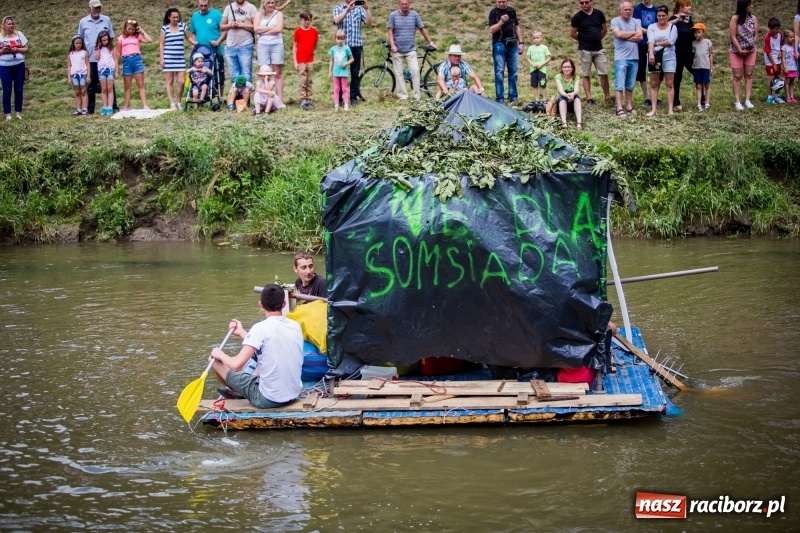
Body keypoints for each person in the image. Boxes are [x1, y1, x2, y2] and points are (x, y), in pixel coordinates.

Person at [209, 283, 304, 408]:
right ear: (284, 304)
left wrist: (219, 354)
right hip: (293, 394)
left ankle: (236, 390)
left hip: (268, 399)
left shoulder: (260, 328)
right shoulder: (295, 326)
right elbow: (269, 342)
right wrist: (242, 332)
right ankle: (241, 389)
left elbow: (236, 365)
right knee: (261, 358)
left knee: (214, 360)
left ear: (261, 304)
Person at [386, 0, 436, 101]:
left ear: (409, 4)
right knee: (399, 73)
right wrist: (392, 45)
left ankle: (417, 96)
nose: (404, 6)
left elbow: (422, 29)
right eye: (402, 4)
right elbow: (390, 31)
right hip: (397, 50)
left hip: (410, 49)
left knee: (415, 71)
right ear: (399, 5)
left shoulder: (414, 15)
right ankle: (403, 96)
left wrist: (431, 42)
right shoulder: (393, 15)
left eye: (406, 4)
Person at [78, 0, 116, 114]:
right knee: (91, 85)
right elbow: (80, 40)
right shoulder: (83, 22)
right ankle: (90, 109)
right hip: (91, 58)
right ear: (90, 7)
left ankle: (113, 107)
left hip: (105, 60)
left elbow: (111, 37)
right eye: (95, 8)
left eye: (99, 7)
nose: (97, 10)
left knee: (110, 85)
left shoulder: (106, 20)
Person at [570, 0, 611, 105]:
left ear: (591, 2)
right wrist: (584, 39)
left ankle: (607, 96)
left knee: (604, 73)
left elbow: (604, 29)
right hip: (585, 50)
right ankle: (589, 98)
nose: (584, 4)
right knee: (586, 74)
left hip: (599, 49)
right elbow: (572, 33)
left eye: (586, 2)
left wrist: (597, 38)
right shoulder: (577, 17)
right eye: (582, 2)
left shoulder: (598, 14)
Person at [333, 1, 372, 107]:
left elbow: (369, 23)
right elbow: (336, 21)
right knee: (340, 72)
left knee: (355, 73)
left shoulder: (359, 9)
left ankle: (353, 97)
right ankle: (340, 97)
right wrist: (347, 10)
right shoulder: (339, 8)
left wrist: (367, 9)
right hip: (342, 47)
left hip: (356, 45)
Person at [610, 1, 642, 117]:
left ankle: (629, 106)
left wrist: (625, 36)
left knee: (630, 84)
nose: (628, 11)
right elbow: (618, 35)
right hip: (621, 58)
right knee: (619, 84)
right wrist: (634, 33)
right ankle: (619, 107)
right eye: (625, 9)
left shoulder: (636, 21)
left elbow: (640, 37)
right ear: (620, 10)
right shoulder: (615, 21)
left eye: (629, 9)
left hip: (634, 57)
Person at [160, 8, 195, 110]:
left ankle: (178, 101)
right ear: (169, 17)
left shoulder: (183, 26)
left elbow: (188, 37)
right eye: (173, 17)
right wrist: (162, 58)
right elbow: (162, 44)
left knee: (181, 81)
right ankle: (172, 103)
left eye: (177, 17)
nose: (176, 19)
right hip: (168, 58)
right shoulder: (164, 28)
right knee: (169, 81)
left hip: (180, 58)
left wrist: (195, 43)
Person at [488, 0, 522, 105]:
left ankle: (513, 96)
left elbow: (517, 27)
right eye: (499, 1)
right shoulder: (494, 12)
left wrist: (521, 42)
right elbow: (491, 30)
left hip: (513, 44)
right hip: (499, 44)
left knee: (514, 71)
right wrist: (501, 22)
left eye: (504, 1)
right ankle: (500, 98)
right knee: (499, 72)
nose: (502, 4)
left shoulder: (512, 11)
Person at [188, 0, 227, 91]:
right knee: (200, 75)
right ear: (198, 5)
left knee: (219, 76)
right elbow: (193, 32)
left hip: (215, 51)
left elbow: (225, 30)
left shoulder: (216, 14)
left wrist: (218, 41)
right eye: (201, 6)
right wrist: (194, 42)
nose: (203, 8)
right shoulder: (195, 16)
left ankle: (219, 97)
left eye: (205, 5)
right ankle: (200, 94)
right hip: (200, 53)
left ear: (209, 4)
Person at [114, 18, 153, 111]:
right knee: (127, 86)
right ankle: (126, 106)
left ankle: (145, 105)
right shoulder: (121, 38)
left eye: (132, 29)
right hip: (126, 61)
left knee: (140, 84)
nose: (130, 31)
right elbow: (117, 52)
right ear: (125, 28)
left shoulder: (137, 36)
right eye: (129, 29)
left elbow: (149, 40)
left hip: (137, 60)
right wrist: (117, 66)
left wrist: (142, 31)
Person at [645, 5, 677, 117]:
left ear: (667, 15)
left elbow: (671, 41)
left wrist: (657, 43)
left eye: (663, 15)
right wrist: (651, 53)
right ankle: (653, 109)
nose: (661, 18)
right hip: (655, 55)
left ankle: (670, 110)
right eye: (659, 15)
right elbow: (650, 40)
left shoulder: (672, 27)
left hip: (669, 56)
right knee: (654, 84)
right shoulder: (651, 26)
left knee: (669, 84)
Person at [729, 0, 758, 111]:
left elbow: (755, 35)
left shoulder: (753, 19)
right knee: (737, 76)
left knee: (749, 74)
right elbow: (733, 36)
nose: (752, 6)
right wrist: (740, 49)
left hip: (751, 50)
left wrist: (751, 45)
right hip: (736, 50)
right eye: (750, 5)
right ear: (744, 6)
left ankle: (747, 99)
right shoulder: (734, 19)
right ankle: (737, 101)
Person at [254, 0, 285, 104]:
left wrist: (264, 32)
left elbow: (279, 29)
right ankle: (265, 99)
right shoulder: (259, 14)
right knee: (264, 72)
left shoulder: (278, 14)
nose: (271, 5)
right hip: (263, 45)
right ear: (264, 4)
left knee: (277, 72)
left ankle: (280, 100)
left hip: (276, 44)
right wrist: (271, 28)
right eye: (269, 3)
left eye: (273, 2)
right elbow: (256, 28)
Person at [667, 0, 695, 111]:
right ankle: (676, 101)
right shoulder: (673, 19)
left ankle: (701, 98)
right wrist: (678, 19)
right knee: (677, 77)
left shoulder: (689, 20)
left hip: (688, 52)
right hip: (677, 53)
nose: (689, 7)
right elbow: (666, 26)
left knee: (697, 72)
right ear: (680, 8)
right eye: (687, 5)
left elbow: (693, 34)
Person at [221, 0, 258, 83]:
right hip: (230, 46)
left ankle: (246, 95)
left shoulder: (251, 8)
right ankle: (236, 95)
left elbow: (256, 27)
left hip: (246, 45)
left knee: (246, 76)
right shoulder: (228, 8)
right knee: (234, 77)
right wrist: (229, 25)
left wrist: (242, 25)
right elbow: (222, 27)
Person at [0, 16, 28, 121]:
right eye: (9, 24)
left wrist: (18, 49)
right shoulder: (0, 37)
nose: (11, 26)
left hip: (19, 64)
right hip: (4, 66)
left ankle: (18, 113)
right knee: (7, 90)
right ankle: (7, 114)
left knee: (19, 89)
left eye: (12, 24)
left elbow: (26, 48)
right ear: (4, 25)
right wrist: (3, 51)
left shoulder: (19, 34)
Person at [633, 0, 658, 105]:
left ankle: (655, 96)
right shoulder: (638, 9)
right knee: (642, 70)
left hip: (655, 43)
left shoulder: (655, 9)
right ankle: (647, 97)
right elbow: (638, 26)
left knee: (655, 69)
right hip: (642, 43)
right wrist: (651, 32)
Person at [293, 11, 318, 111]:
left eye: (309, 20)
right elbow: (294, 47)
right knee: (302, 80)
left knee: (309, 80)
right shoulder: (297, 32)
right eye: (305, 20)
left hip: (310, 60)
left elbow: (315, 45)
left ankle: (309, 99)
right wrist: (295, 61)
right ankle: (303, 100)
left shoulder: (314, 31)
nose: (307, 22)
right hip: (301, 60)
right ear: (301, 20)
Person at [554, 58, 583, 131]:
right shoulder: (558, 77)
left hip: (572, 98)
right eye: (564, 67)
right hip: (562, 99)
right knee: (562, 99)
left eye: (569, 67)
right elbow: (561, 90)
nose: (566, 69)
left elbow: (576, 90)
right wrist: (567, 95)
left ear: (572, 68)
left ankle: (579, 123)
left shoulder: (576, 77)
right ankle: (564, 123)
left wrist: (573, 94)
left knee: (577, 98)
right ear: (562, 68)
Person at [328, 30, 354, 111]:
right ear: (335, 38)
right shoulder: (333, 49)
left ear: (344, 39)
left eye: (342, 39)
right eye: (338, 38)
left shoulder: (346, 48)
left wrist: (346, 63)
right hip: (336, 72)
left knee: (344, 88)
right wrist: (330, 72)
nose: (340, 40)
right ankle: (336, 104)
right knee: (336, 89)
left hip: (344, 72)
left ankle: (346, 104)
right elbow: (331, 60)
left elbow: (352, 59)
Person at [691, 23, 713, 111]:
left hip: (706, 67)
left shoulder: (708, 42)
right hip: (696, 67)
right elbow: (693, 54)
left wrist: (711, 67)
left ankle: (707, 102)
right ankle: (699, 104)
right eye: (695, 32)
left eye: (699, 32)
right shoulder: (693, 43)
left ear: (703, 32)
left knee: (707, 84)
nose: (697, 34)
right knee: (698, 86)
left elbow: (711, 55)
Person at [525, 31, 551, 104]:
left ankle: (544, 99)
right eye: (534, 38)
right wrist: (532, 64)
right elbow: (527, 58)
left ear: (542, 38)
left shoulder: (544, 48)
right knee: (534, 85)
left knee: (543, 85)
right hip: (533, 70)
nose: (535, 39)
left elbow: (548, 58)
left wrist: (541, 64)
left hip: (542, 70)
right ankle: (536, 100)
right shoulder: (530, 48)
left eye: (537, 38)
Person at [68, 35, 90, 116]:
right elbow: (69, 66)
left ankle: (85, 108)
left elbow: (88, 64)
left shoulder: (84, 53)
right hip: (74, 75)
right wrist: (69, 77)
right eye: (76, 43)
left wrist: (88, 76)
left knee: (83, 91)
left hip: (83, 74)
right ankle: (78, 109)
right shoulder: (71, 54)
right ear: (73, 44)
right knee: (77, 92)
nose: (78, 45)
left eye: (80, 43)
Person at [94, 31, 116, 115]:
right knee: (104, 89)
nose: (105, 42)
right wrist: (98, 48)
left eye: (107, 40)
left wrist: (116, 71)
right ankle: (105, 106)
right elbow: (96, 57)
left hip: (110, 69)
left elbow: (115, 59)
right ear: (100, 40)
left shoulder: (112, 48)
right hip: (101, 70)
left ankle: (110, 107)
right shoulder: (98, 48)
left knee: (110, 89)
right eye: (103, 40)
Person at [764, 18, 784, 104]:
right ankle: (769, 96)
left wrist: (780, 51)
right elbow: (768, 52)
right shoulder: (767, 38)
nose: (778, 30)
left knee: (777, 76)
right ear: (770, 28)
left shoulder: (780, 34)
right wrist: (774, 64)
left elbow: (781, 44)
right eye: (776, 29)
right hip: (770, 59)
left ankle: (777, 95)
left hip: (778, 58)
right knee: (771, 77)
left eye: (778, 28)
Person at [782, 29, 797, 102]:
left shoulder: (794, 47)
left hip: (793, 67)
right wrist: (785, 67)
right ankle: (787, 97)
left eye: (793, 37)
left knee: (792, 83)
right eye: (791, 37)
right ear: (786, 38)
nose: (793, 38)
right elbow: (783, 58)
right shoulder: (784, 47)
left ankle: (792, 96)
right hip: (788, 68)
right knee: (787, 83)